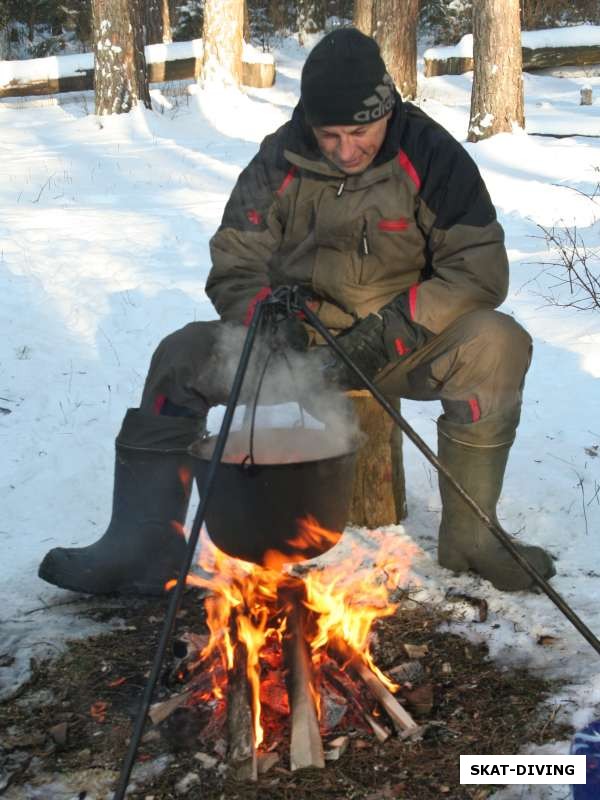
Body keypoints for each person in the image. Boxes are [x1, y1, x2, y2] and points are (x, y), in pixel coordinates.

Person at [39, 27, 555, 596]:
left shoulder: (433, 157)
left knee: (497, 342)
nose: (345, 148)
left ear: (387, 110)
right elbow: (235, 260)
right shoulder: (280, 156)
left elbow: (479, 269)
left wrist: (392, 332)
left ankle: (473, 540)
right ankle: (143, 543)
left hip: (401, 345)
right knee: (180, 355)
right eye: (329, 133)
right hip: (296, 352)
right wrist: (271, 322)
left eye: (360, 131)